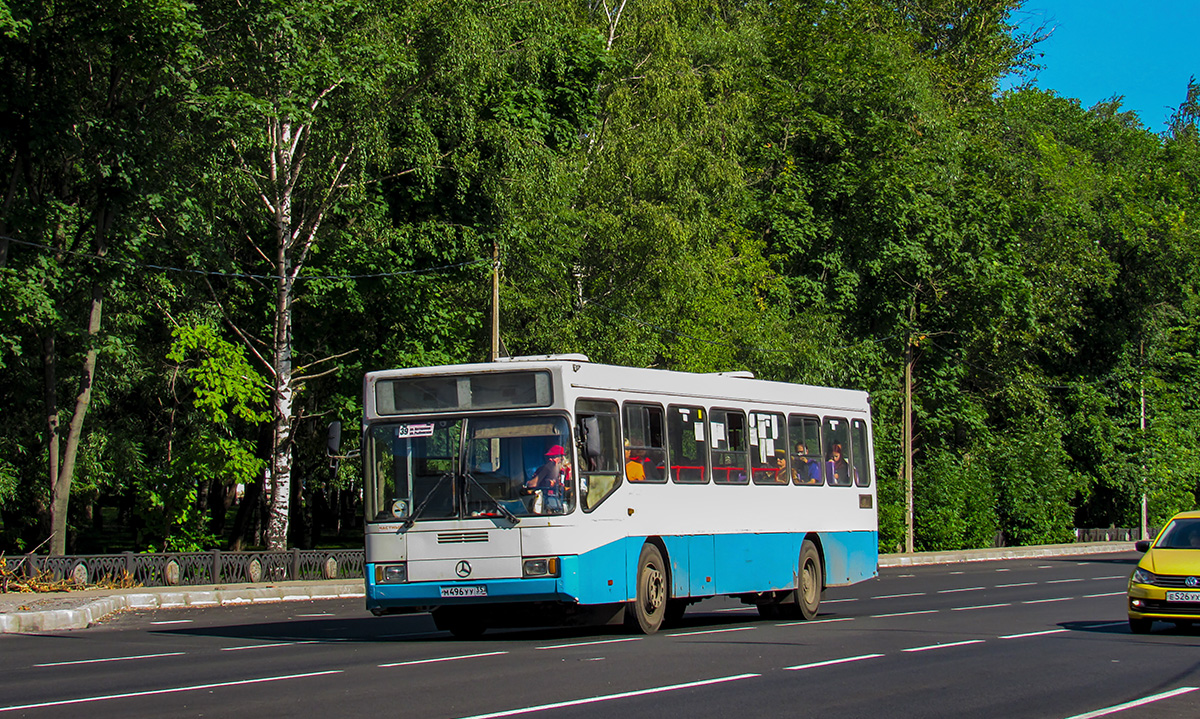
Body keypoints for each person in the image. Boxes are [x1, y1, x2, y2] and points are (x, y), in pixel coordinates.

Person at [526, 444, 568, 513]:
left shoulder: (568, 470)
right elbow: (531, 485)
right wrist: (546, 470)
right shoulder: (543, 469)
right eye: (549, 457)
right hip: (545, 504)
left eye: (553, 457)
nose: (550, 459)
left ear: (562, 458)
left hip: (564, 505)